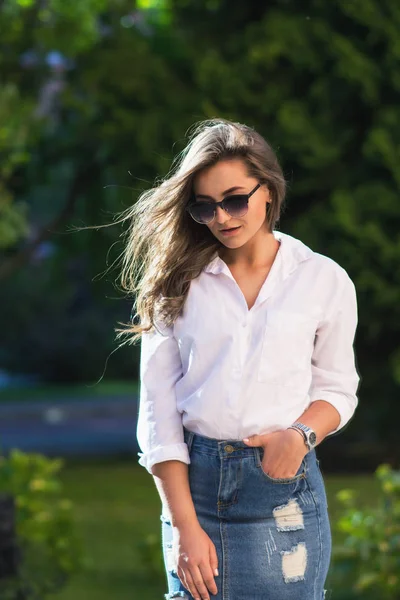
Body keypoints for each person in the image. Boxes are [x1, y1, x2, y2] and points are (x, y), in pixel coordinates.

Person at [122, 118, 360, 600]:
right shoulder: (175, 284)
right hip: (195, 491)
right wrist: (184, 527)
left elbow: (337, 389)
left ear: (268, 191)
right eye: (205, 206)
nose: (222, 218)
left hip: (284, 495)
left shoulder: (323, 279)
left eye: (235, 200)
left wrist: (299, 437)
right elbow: (158, 417)